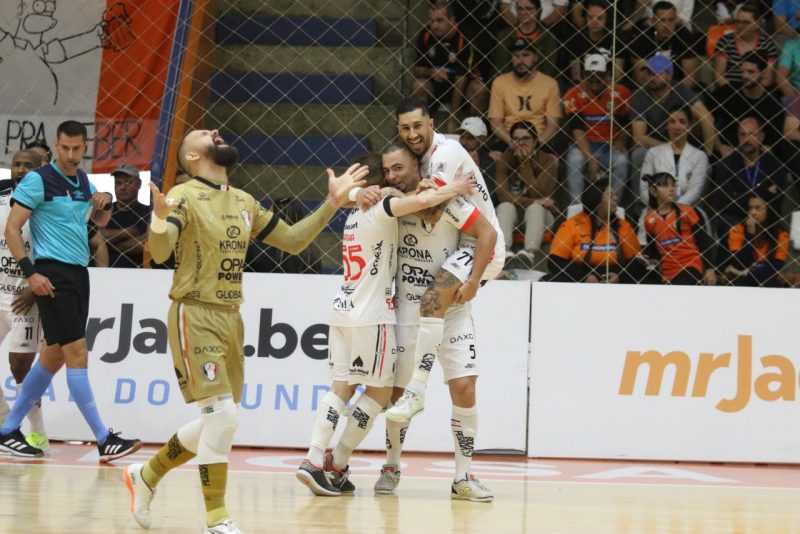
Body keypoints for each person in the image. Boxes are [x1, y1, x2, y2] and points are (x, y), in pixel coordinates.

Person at [123, 128, 367, 534]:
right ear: (193, 158)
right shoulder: (183, 196)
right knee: (222, 416)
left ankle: (146, 475)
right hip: (194, 313)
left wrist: (332, 203)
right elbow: (162, 252)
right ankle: (217, 518)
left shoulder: (244, 200)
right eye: (204, 134)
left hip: (231, 317)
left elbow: (291, 241)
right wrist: (159, 218)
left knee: (221, 420)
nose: (215, 133)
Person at [295, 150, 476, 497]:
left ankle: (316, 459)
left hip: (342, 307)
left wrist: (348, 194)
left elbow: (391, 198)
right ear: (378, 186)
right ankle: (331, 462)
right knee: (379, 393)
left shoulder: (352, 214)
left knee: (341, 387)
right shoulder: (382, 209)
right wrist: (455, 186)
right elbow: (424, 199)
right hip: (371, 314)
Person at [0, 121, 141, 460]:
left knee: (53, 357)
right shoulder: (39, 179)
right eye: (65, 148)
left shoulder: (82, 181)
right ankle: (104, 438)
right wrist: (31, 273)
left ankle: (6, 430)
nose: (71, 154)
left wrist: (103, 205)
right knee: (77, 355)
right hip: (53, 274)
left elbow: (93, 227)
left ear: (84, 147)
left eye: (78, 149)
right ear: (57, 145)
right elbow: (12, 229)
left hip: (78, 273)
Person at [376, 142, 497, 501]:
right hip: (408, 311)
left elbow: (487, 233)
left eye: (398, 168)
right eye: (387, 170)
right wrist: (369, 190)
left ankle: (463, 476)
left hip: (452, 306)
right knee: (398, 396)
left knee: (465, 387)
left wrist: (474, 280)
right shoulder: (393, 203)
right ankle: (392, 465)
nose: (392, 176)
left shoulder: (446, 200)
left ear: (418, 165)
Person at [0, 149, 49, 451]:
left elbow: (54, 249)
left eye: (27, 166)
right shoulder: (3, 199)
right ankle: (6, 426)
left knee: (20, 366)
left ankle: (39, 432)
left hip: (23, 297)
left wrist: (34, 285)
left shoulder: (46, 206)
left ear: (40, 169)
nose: (20, 169)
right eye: (16, 164)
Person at [629, 56, 715, 197]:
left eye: (656, 74)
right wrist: (668, 149)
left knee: (704, 164)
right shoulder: (640, 96)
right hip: (655, 147)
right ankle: (640, 209)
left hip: (684, 147)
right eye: (649, 73)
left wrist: (708, 153)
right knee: (638, 154)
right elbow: (639, 137)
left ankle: (695, 211)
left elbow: (707, 118)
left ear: (669, 75)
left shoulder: (681, 91)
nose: (651, 78)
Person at [564, 53, 631, 203]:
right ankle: (577, 209)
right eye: (590, 78)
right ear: (584, 76)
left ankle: (612, 206)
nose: (594, 83)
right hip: (583, 145)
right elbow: (577, 129)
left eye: (599, 78)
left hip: (610, 145)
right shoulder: (573, 94)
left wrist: (622, 139)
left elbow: (626, 122)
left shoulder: (621, 93)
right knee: (574, 160)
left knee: (622, 161)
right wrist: (590, 157)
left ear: (607, 76)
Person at [547, 178, 643, 283]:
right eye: (610, 195)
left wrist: (620, 276)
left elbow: (638, 262)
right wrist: (584, 277)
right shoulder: (571, 225)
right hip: (580, 278)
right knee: (546, 280)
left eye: (615, 195)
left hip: (615, 279)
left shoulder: (623, 226)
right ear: (597, 199)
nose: (616, 198)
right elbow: (554, 261)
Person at [411, 0, 483, 130]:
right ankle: (422, 130)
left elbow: (461, 78)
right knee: (418, 85)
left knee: (479, 89)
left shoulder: (465, 37)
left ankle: (473, 132)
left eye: (440, 21)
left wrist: (453, 117)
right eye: (432, 21)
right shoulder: (426, 34)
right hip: (436, 87)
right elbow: (416, 69)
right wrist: (431, 72)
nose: (434, 26)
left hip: (463, 88)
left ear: (452, 19)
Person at [708, 116, 788, 234]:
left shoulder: (774, 165)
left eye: (751, 134)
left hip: (765, 219)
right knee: (727, 222)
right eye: (742, 135)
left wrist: (740, 196)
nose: (746, 139)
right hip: (736, 219)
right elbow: (725, 201)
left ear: (761, 137)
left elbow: (777, 199)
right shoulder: (726, 165)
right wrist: (763, 195)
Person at [495, 121, 558, 269]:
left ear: (536, 141)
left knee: (535, 209)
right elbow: (503, 196)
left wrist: (524, 164)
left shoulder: (547, 160)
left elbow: (540, 192)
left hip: (542, 217)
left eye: (526, 138)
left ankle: (529, 253)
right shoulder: (504, 159)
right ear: (511, 142)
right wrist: (536, 201)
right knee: (505, 206)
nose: (521, 143)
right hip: (513, 216)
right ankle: (505, 251)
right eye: (517, 139)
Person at [641, 172, 717, 285]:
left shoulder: (687, 211)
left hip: (691, 265)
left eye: (673, 185)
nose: (671, 189)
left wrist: (709, 268)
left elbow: (704, 241)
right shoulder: (649, 219)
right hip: (667, 271)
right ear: (653, 192)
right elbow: (653, 248)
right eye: (665, 185)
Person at [488, 38, 562, 148]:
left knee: (552, 161)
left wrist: (536, 144)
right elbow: (495, 123)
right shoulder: (499, 82)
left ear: (536, 57)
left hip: (539, 139)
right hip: (508, 139)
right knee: (495, 158)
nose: (521, 60)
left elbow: (553, 125)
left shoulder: (550, 84)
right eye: (516, 56)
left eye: (526, 55)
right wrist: (512, 142)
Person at [711, 52, 785, 156]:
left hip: (758, 157)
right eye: (743, 71)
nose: (745, 76)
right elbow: (707, 120)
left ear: (763, 73)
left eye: (751, 72)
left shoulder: (773, 102)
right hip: (727, 155)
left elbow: (775, 143)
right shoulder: (727, 92)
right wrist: (719, 147)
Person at [720, 185, 789, 287]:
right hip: (741, 280)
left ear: (769, 210)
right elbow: (740, 264)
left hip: (766, 279)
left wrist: (745, 273)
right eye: (750, 208)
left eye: (758, 208)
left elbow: (774, 268)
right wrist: (750, 234)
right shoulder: (738, 230)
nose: (752, 212)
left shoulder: (781, 234)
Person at [639, 106, 708, 206]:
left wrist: (673, 210)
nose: (677, 127)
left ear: (689, 127)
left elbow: (695, 191)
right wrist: (660, 209)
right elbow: (644, 189)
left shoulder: (700, 156)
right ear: (667, 126)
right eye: (672, 122)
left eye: (682, 122)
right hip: (656, 211)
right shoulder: (653, 153)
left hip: (686, 212)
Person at [630, 1, 703, 88]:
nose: (666, 25)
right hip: (649, 88)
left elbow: (690, 77)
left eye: (671, 20)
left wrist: (671, 96)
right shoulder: (643, 37)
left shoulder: (684, 35)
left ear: (676, 20)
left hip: (679, 89)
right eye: (662, 20)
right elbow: (641, 78)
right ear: (653, 21)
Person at [714, 3, 779, 87]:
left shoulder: (767, 44)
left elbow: (768, 80)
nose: (740, 26)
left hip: (757, 91)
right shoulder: (725, 41)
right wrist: (735, 93)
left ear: (757, 24)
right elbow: (718, 76)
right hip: (730, 89)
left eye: (746, 22)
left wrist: (751, 93)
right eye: (737, 22)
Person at [100, 164, 151, 268]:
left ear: (139, 184)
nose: (122, 187)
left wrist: (105, 243)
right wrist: (127, 232)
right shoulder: (104, 210)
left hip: (138, 276)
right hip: (104, 275)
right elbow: (93, 235)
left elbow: (145, 244)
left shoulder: (148, 213)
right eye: (118, 183)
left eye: (128, 182)